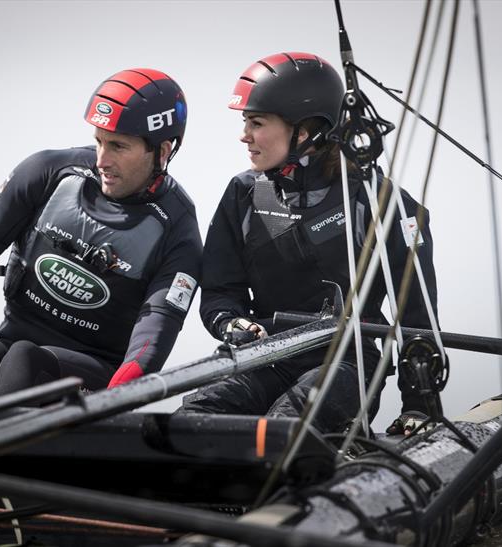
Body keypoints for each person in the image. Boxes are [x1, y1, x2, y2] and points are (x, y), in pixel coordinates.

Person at [178, 52, 438, 434]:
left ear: (304, 132)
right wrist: (231, 322)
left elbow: (418, 316)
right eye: (244, 122)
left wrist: (419, 407)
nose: (244, 135)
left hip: (345, 363)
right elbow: (220, 291)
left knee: (285, 428)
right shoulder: (243, 192)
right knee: (193, 418)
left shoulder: (381, 203)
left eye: (257, 123)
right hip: (266, 356)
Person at [0, 68, 202, 405]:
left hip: (93, 375)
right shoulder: (48, 172)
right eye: (98, 141)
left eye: (118, 146)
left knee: (26, 358)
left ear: (163, 150)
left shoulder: (177, 230)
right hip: (13, 346)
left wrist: (112, 402)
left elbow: (150, 342)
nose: (102, 160)